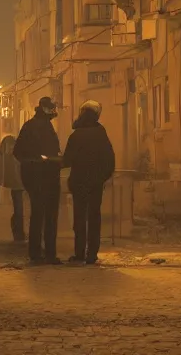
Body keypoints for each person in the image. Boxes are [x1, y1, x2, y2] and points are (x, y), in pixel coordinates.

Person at [62, 99, 115, 265]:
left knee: (79, 218)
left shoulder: (76, 135)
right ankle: (92, 254)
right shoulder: (101, 134)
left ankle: (79, 253)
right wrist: (101, 177)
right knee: (94, 217)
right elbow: (109, 160)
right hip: (95, 184)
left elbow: (67, 160)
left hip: (78, 182)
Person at [13, 96, 62, 264]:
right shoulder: (36, 127)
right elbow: (19, 152)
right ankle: (45, 253)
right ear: (44, 109)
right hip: (42, 176)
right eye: (51, 108)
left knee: (40, 215)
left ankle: (39, 253)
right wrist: (39, 161)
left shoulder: (36, 126)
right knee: (46, 216)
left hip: (39, 176)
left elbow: (18, 152)